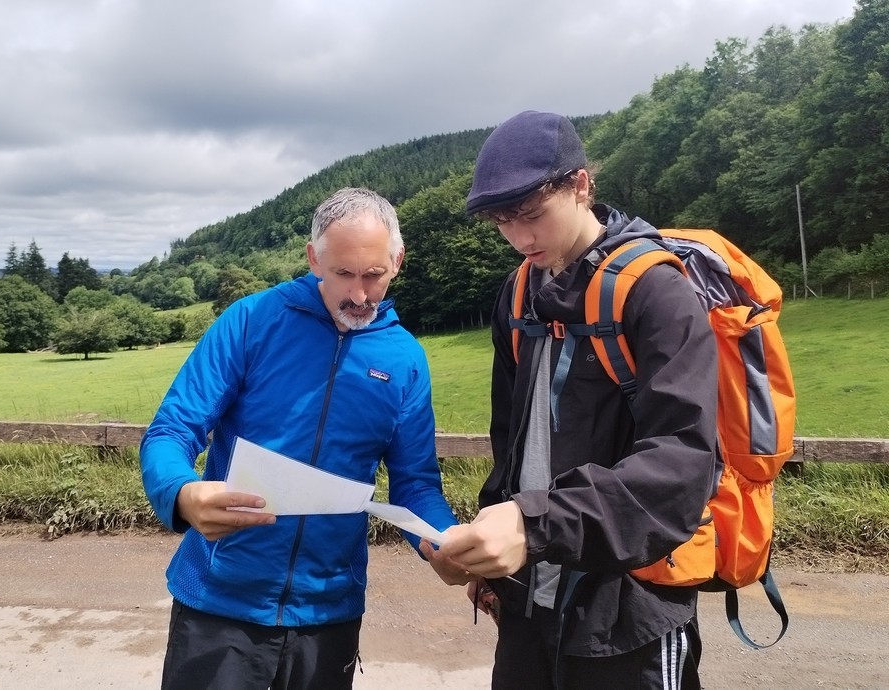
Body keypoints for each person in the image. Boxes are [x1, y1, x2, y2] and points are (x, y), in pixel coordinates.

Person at [420, 111, 719, 689]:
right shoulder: (518, 292)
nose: (519, 237)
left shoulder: (658, 293)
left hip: (629, 609)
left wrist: (532, 527)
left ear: (580, 186)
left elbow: (680, 468)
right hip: (526, 607)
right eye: (501, 221)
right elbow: (510, 441)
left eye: (532, 215)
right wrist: (490, 552)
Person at [141, 187, 458, 690]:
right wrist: (181, 492)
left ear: (397, 260)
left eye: (374, 274)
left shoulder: (405, 359)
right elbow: (171, 432)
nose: (359, 294)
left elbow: (416, 484)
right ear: (313, 259)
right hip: (221, 603)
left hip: (329, 613)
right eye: (342, 274)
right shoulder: (249, 321)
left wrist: (445, 542)